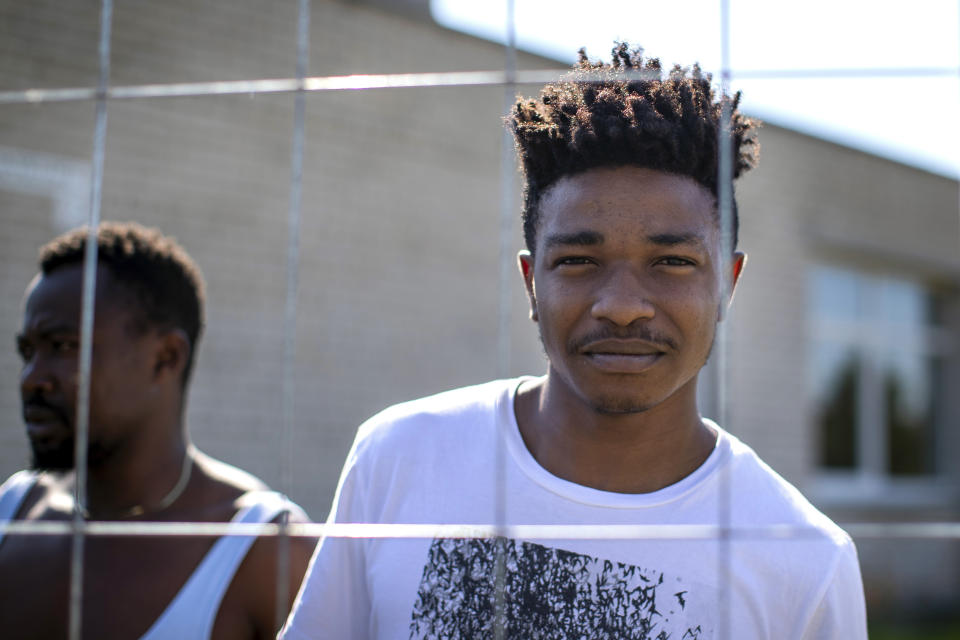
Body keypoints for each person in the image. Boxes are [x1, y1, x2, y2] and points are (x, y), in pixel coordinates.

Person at [281, 44, 867, 639]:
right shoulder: (398, 458)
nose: (621, 305)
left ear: (727, 285)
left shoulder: (807, 561)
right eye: (579, 260)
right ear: (532, 282)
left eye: (671, 260)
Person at [0, 222, 315, 639]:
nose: (31, 379)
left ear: (165, 358)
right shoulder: (13, 512)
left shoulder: (263, 549)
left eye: (62, 346)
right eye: (28, 352)